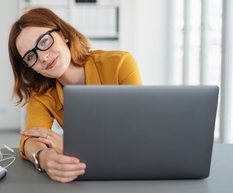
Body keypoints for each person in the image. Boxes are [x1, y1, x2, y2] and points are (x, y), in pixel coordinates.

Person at [8, 7, 142, 183]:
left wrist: (69, 145)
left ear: (63, 33)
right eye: (30, 56)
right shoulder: (42, 95)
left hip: (130, 171)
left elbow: (138, 131)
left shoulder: (119, 64)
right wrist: (45, 158)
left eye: (44, 42)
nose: (43, 57)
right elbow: (29, 140)